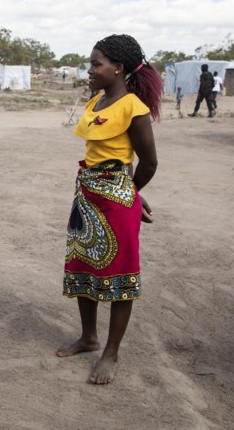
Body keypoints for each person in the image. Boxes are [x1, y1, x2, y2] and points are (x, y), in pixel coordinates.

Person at [56, 34, 160, 385]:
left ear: (118, 68)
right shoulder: (96, 101)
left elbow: (149, 163)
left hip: (117, 204)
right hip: (86, 195)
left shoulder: (134, 108)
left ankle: (111, 353)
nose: (89, 70)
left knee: (120, 276)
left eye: (95, 64)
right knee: (84, 266)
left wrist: (130, 193)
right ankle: (89, 337)